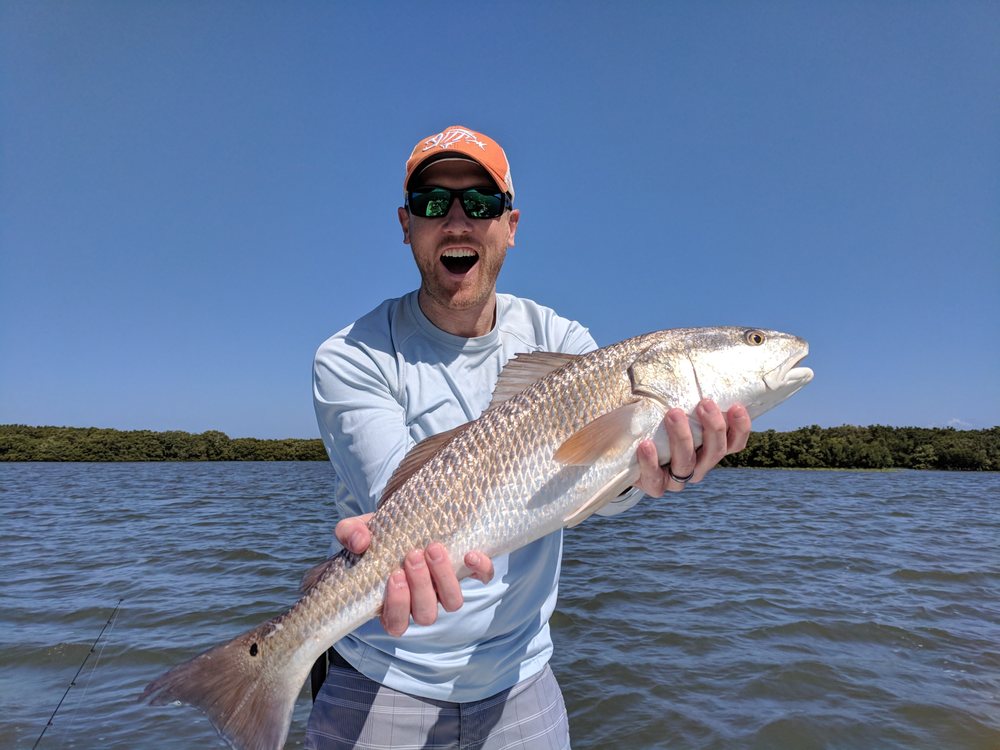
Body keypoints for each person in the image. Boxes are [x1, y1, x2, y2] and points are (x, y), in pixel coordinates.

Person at [307, 125, 751, 749]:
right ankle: (271, 663)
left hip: (520, 682)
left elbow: (598, 481)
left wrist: (656, 473)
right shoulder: (351, 354)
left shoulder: (566, 345)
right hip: (379, 674)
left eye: (481, 203)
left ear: (511, 225)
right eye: (435, 203)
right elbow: (402, 497)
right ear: (406, 224)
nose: (458, 221)